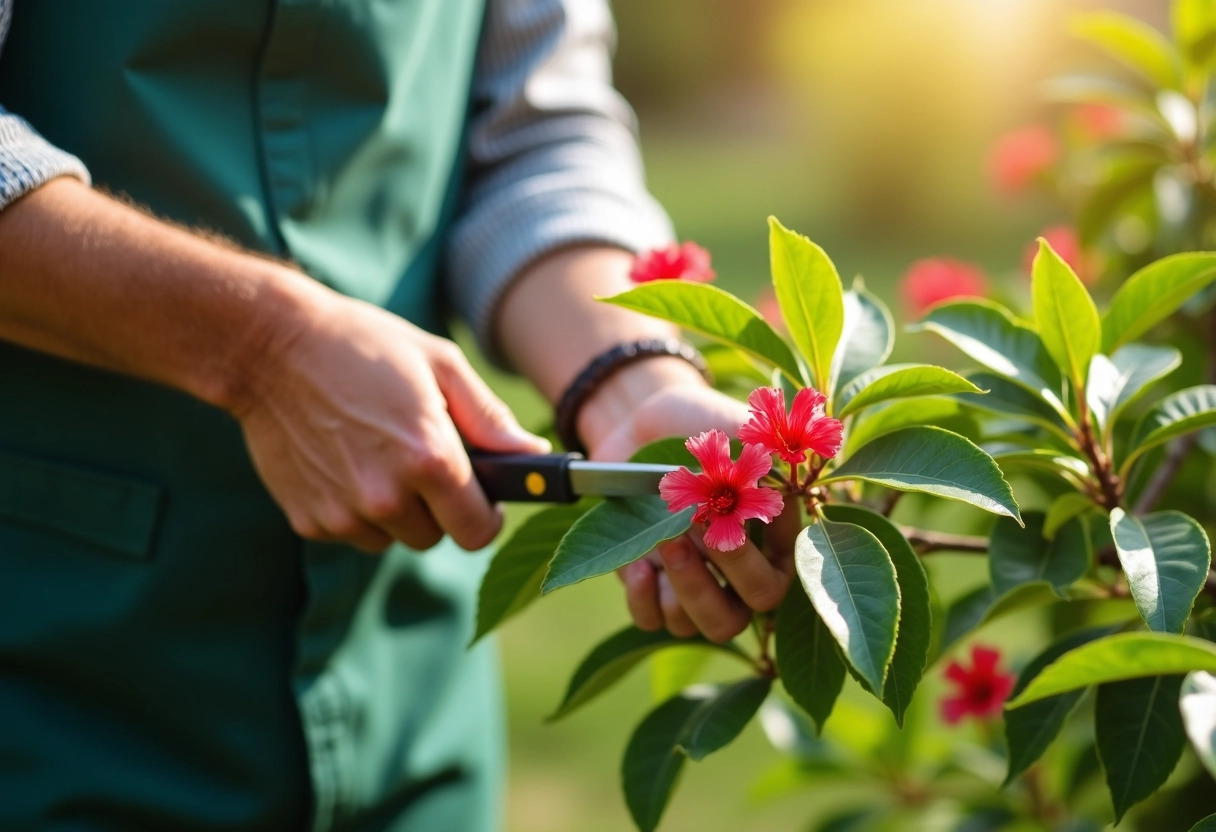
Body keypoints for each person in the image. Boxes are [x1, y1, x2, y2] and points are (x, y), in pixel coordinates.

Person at [0, 0, 797, 829]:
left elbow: (532, 136)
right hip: (53, 704)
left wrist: (627, 380)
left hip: (411, 708)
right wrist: (259, 348)